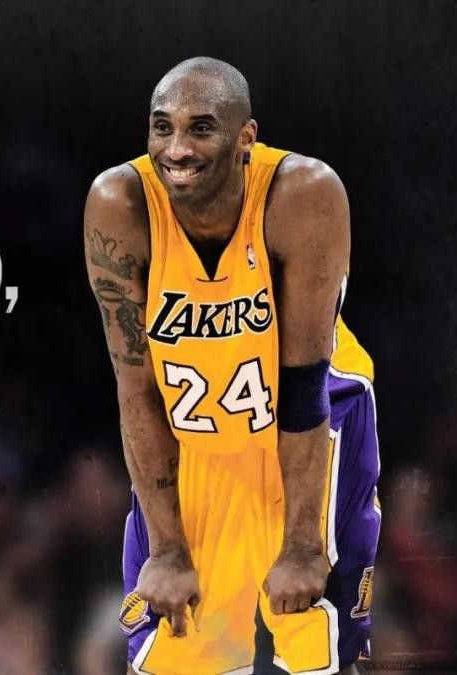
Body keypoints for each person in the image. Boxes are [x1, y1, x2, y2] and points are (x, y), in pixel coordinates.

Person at [83, 57, 380, 675]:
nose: (177, 149)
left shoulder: (302, 193)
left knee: (318, 650)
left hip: (307, 431)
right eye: (162, 127)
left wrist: (302, 545)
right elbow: (136, 389)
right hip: (197, 439)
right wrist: (167, 547)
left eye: (201, 128)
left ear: (246, 137)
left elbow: (304, 384)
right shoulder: (120, 203)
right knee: (171, 649)